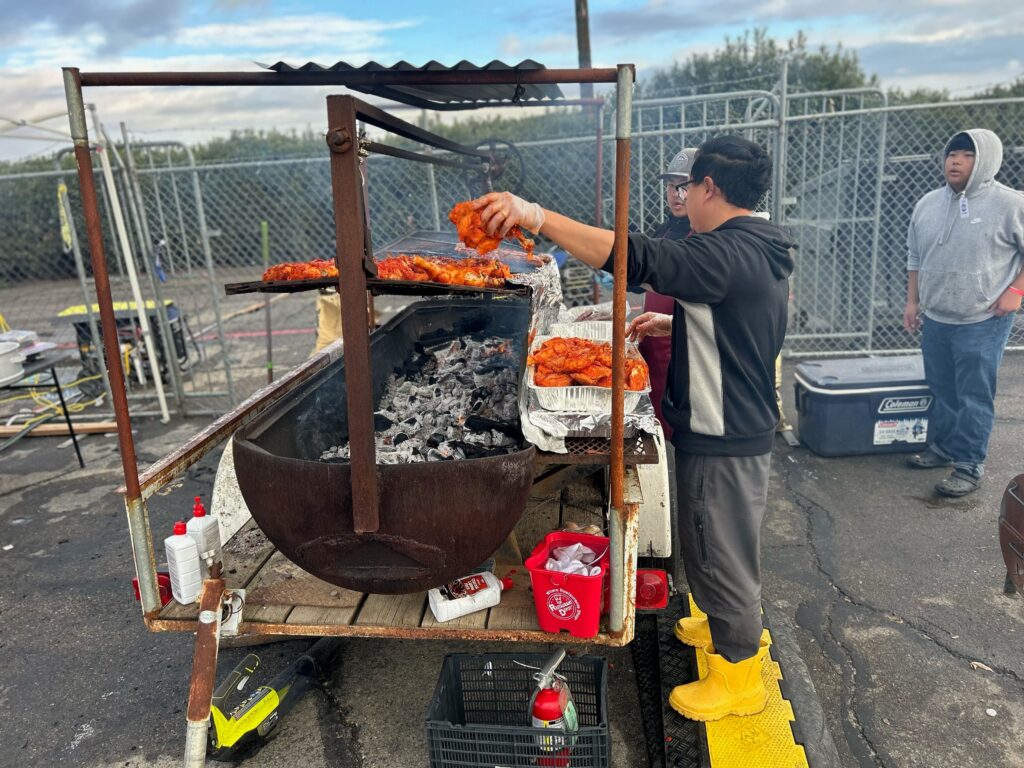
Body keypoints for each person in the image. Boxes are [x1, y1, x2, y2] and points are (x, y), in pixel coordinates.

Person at [475, 135, 796, 722]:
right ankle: (715, 623)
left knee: (723, 550)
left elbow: (633, 255)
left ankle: (738, 676)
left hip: (725, 433)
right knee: (704, 538)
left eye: (687, 187)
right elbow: (744, 321)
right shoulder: (753, 244)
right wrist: (678, 323)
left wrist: (537, 216)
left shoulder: (723, 251)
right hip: (726, 423)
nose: (684, 198)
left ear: (709, 188)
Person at [903, 129, 1024, 497]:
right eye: (951, 154)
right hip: (937, 317)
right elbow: (915, 257)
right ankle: (942, 448)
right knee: (942, 389)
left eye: (966, 155)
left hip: (983, 319)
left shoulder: (1011, 204)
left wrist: (1016, 291)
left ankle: (969, 464)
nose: (954, 161)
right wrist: (912, 301)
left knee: (973, 395)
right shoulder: (927, 203)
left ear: (985, 159)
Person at [643, 148, 697, 439]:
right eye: (670, 185)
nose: (675, 193)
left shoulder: (703, 238)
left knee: (679, 433)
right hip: (653, 351)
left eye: (683, 185)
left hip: (680, 356)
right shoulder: (665, 230)